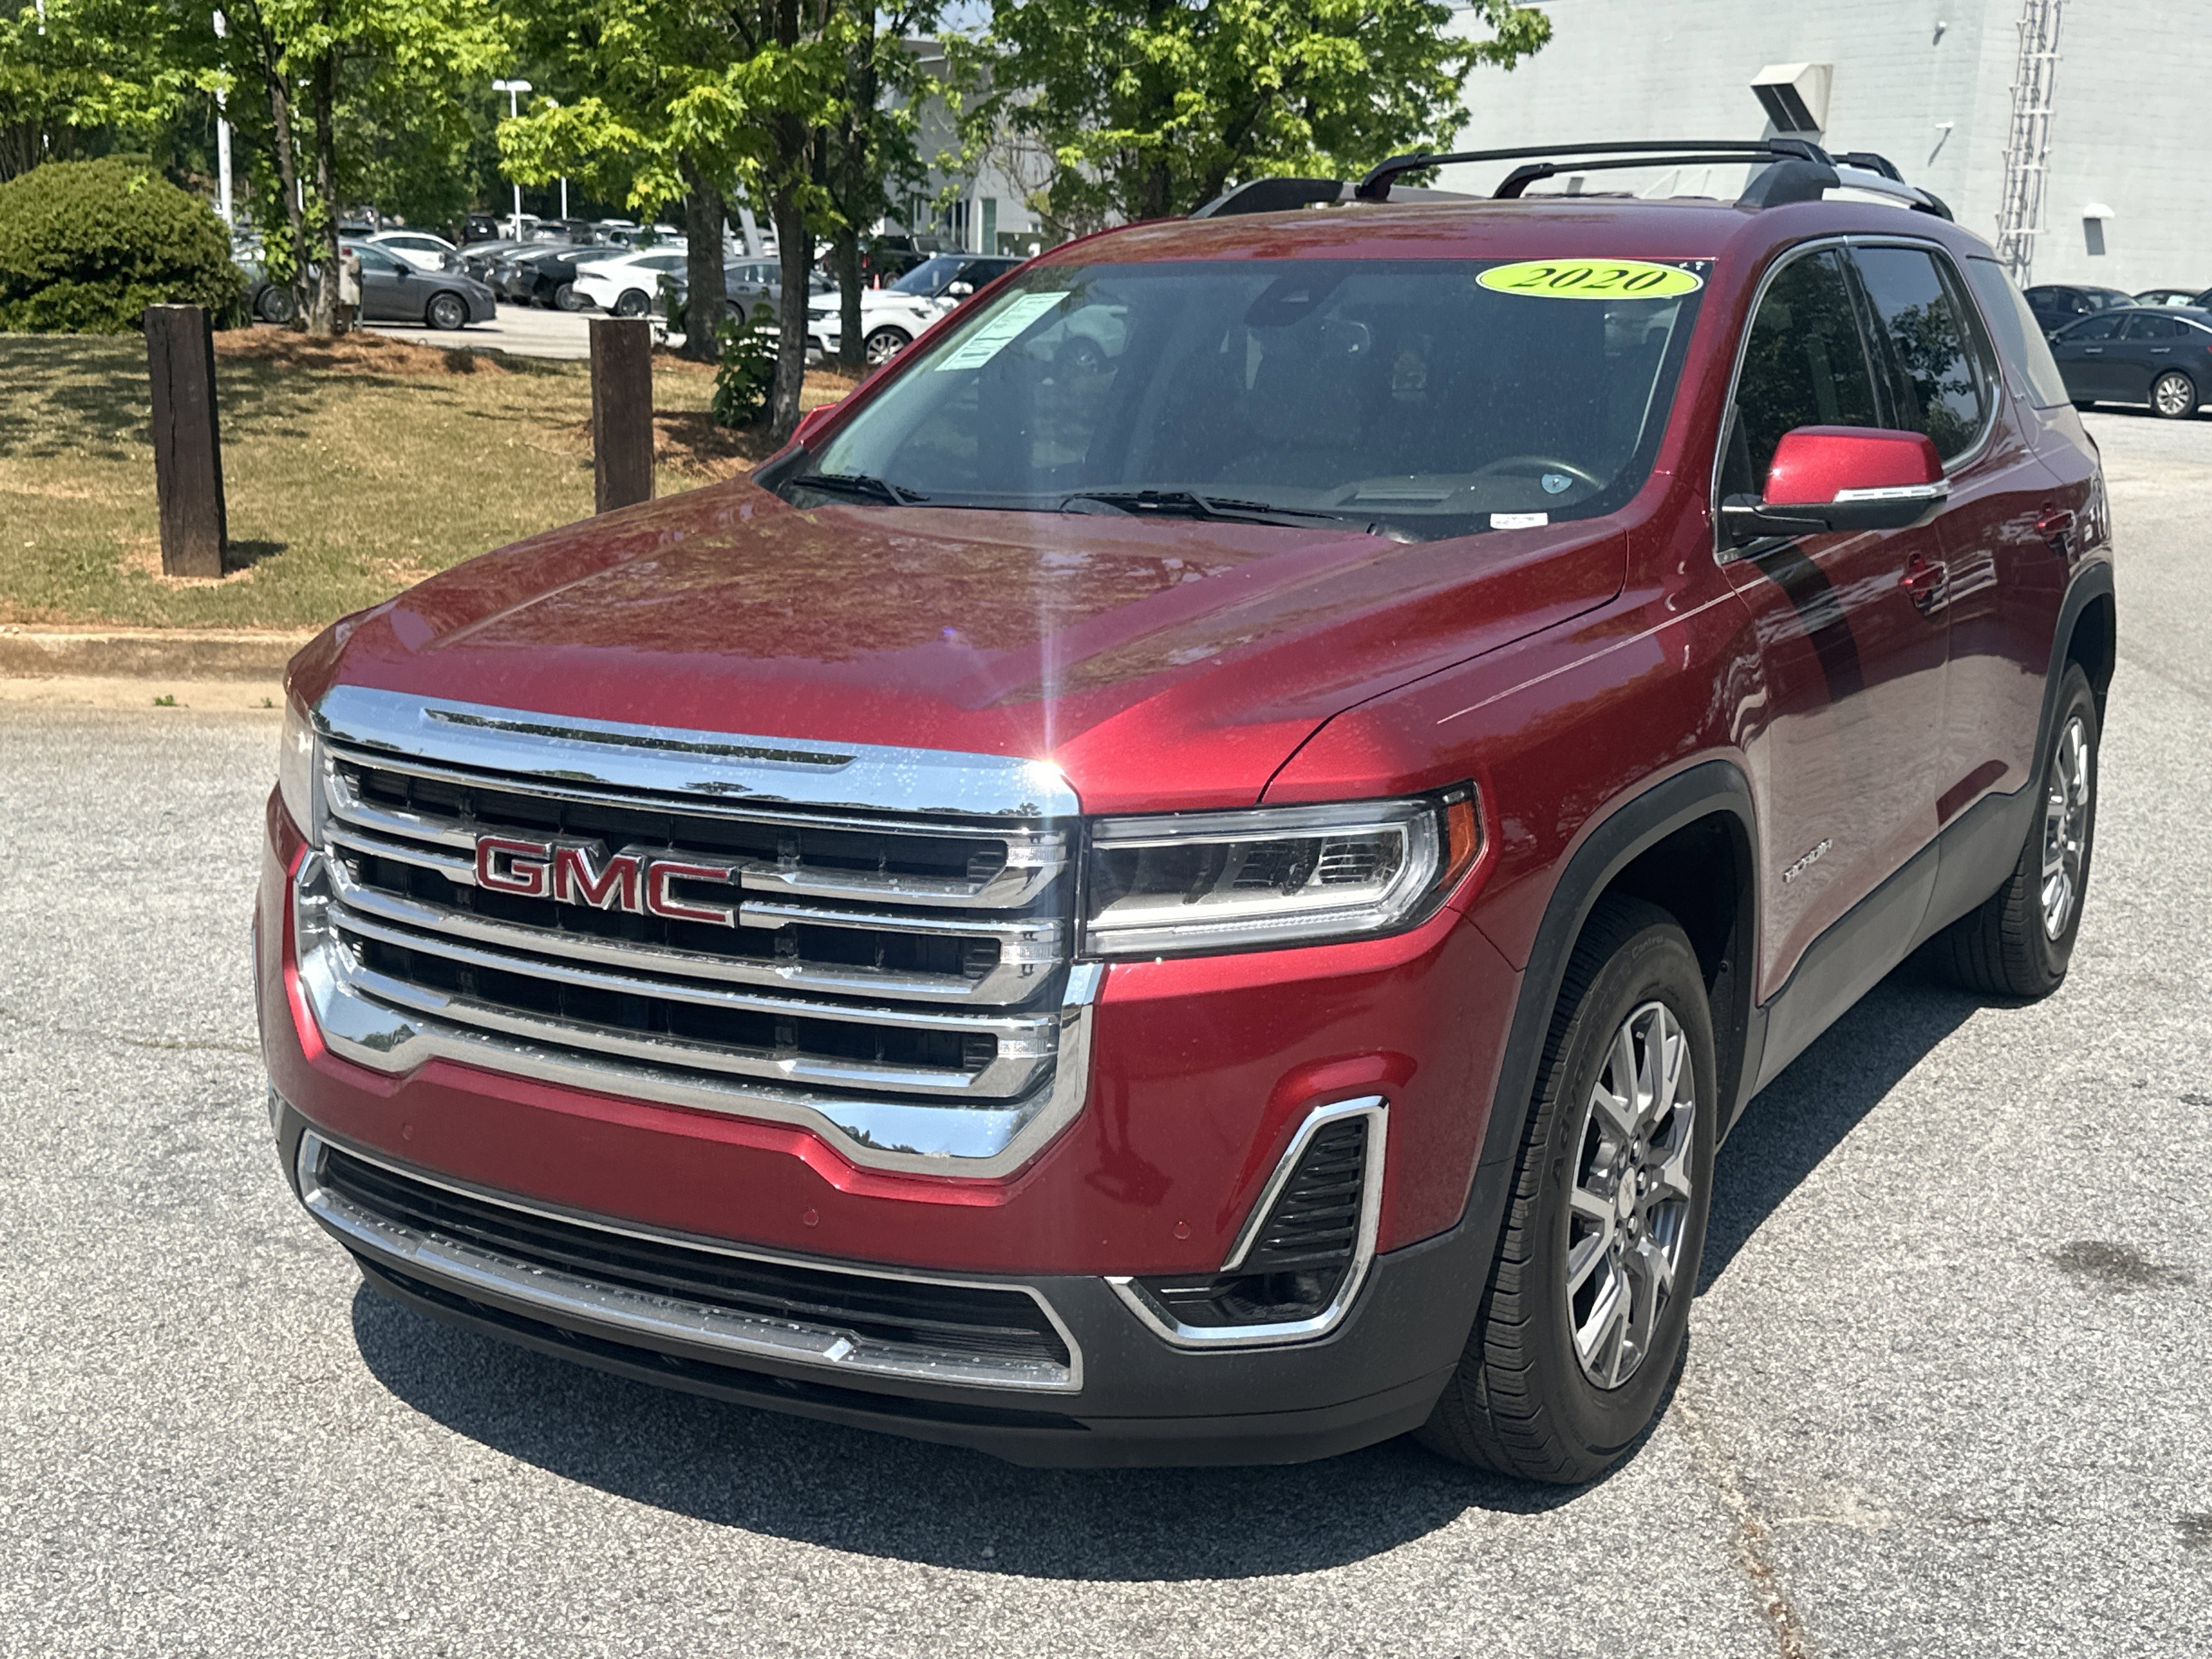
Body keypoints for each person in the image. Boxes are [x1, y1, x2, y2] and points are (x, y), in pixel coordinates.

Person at [335, 245, 362, 333]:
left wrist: (353, 261)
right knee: (340, 310)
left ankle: (348, 328)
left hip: (348, 291)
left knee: (348, 311)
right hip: (342, 290)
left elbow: (354, 271)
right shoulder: (337, 261)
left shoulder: (353, 261)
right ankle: (344, 328)